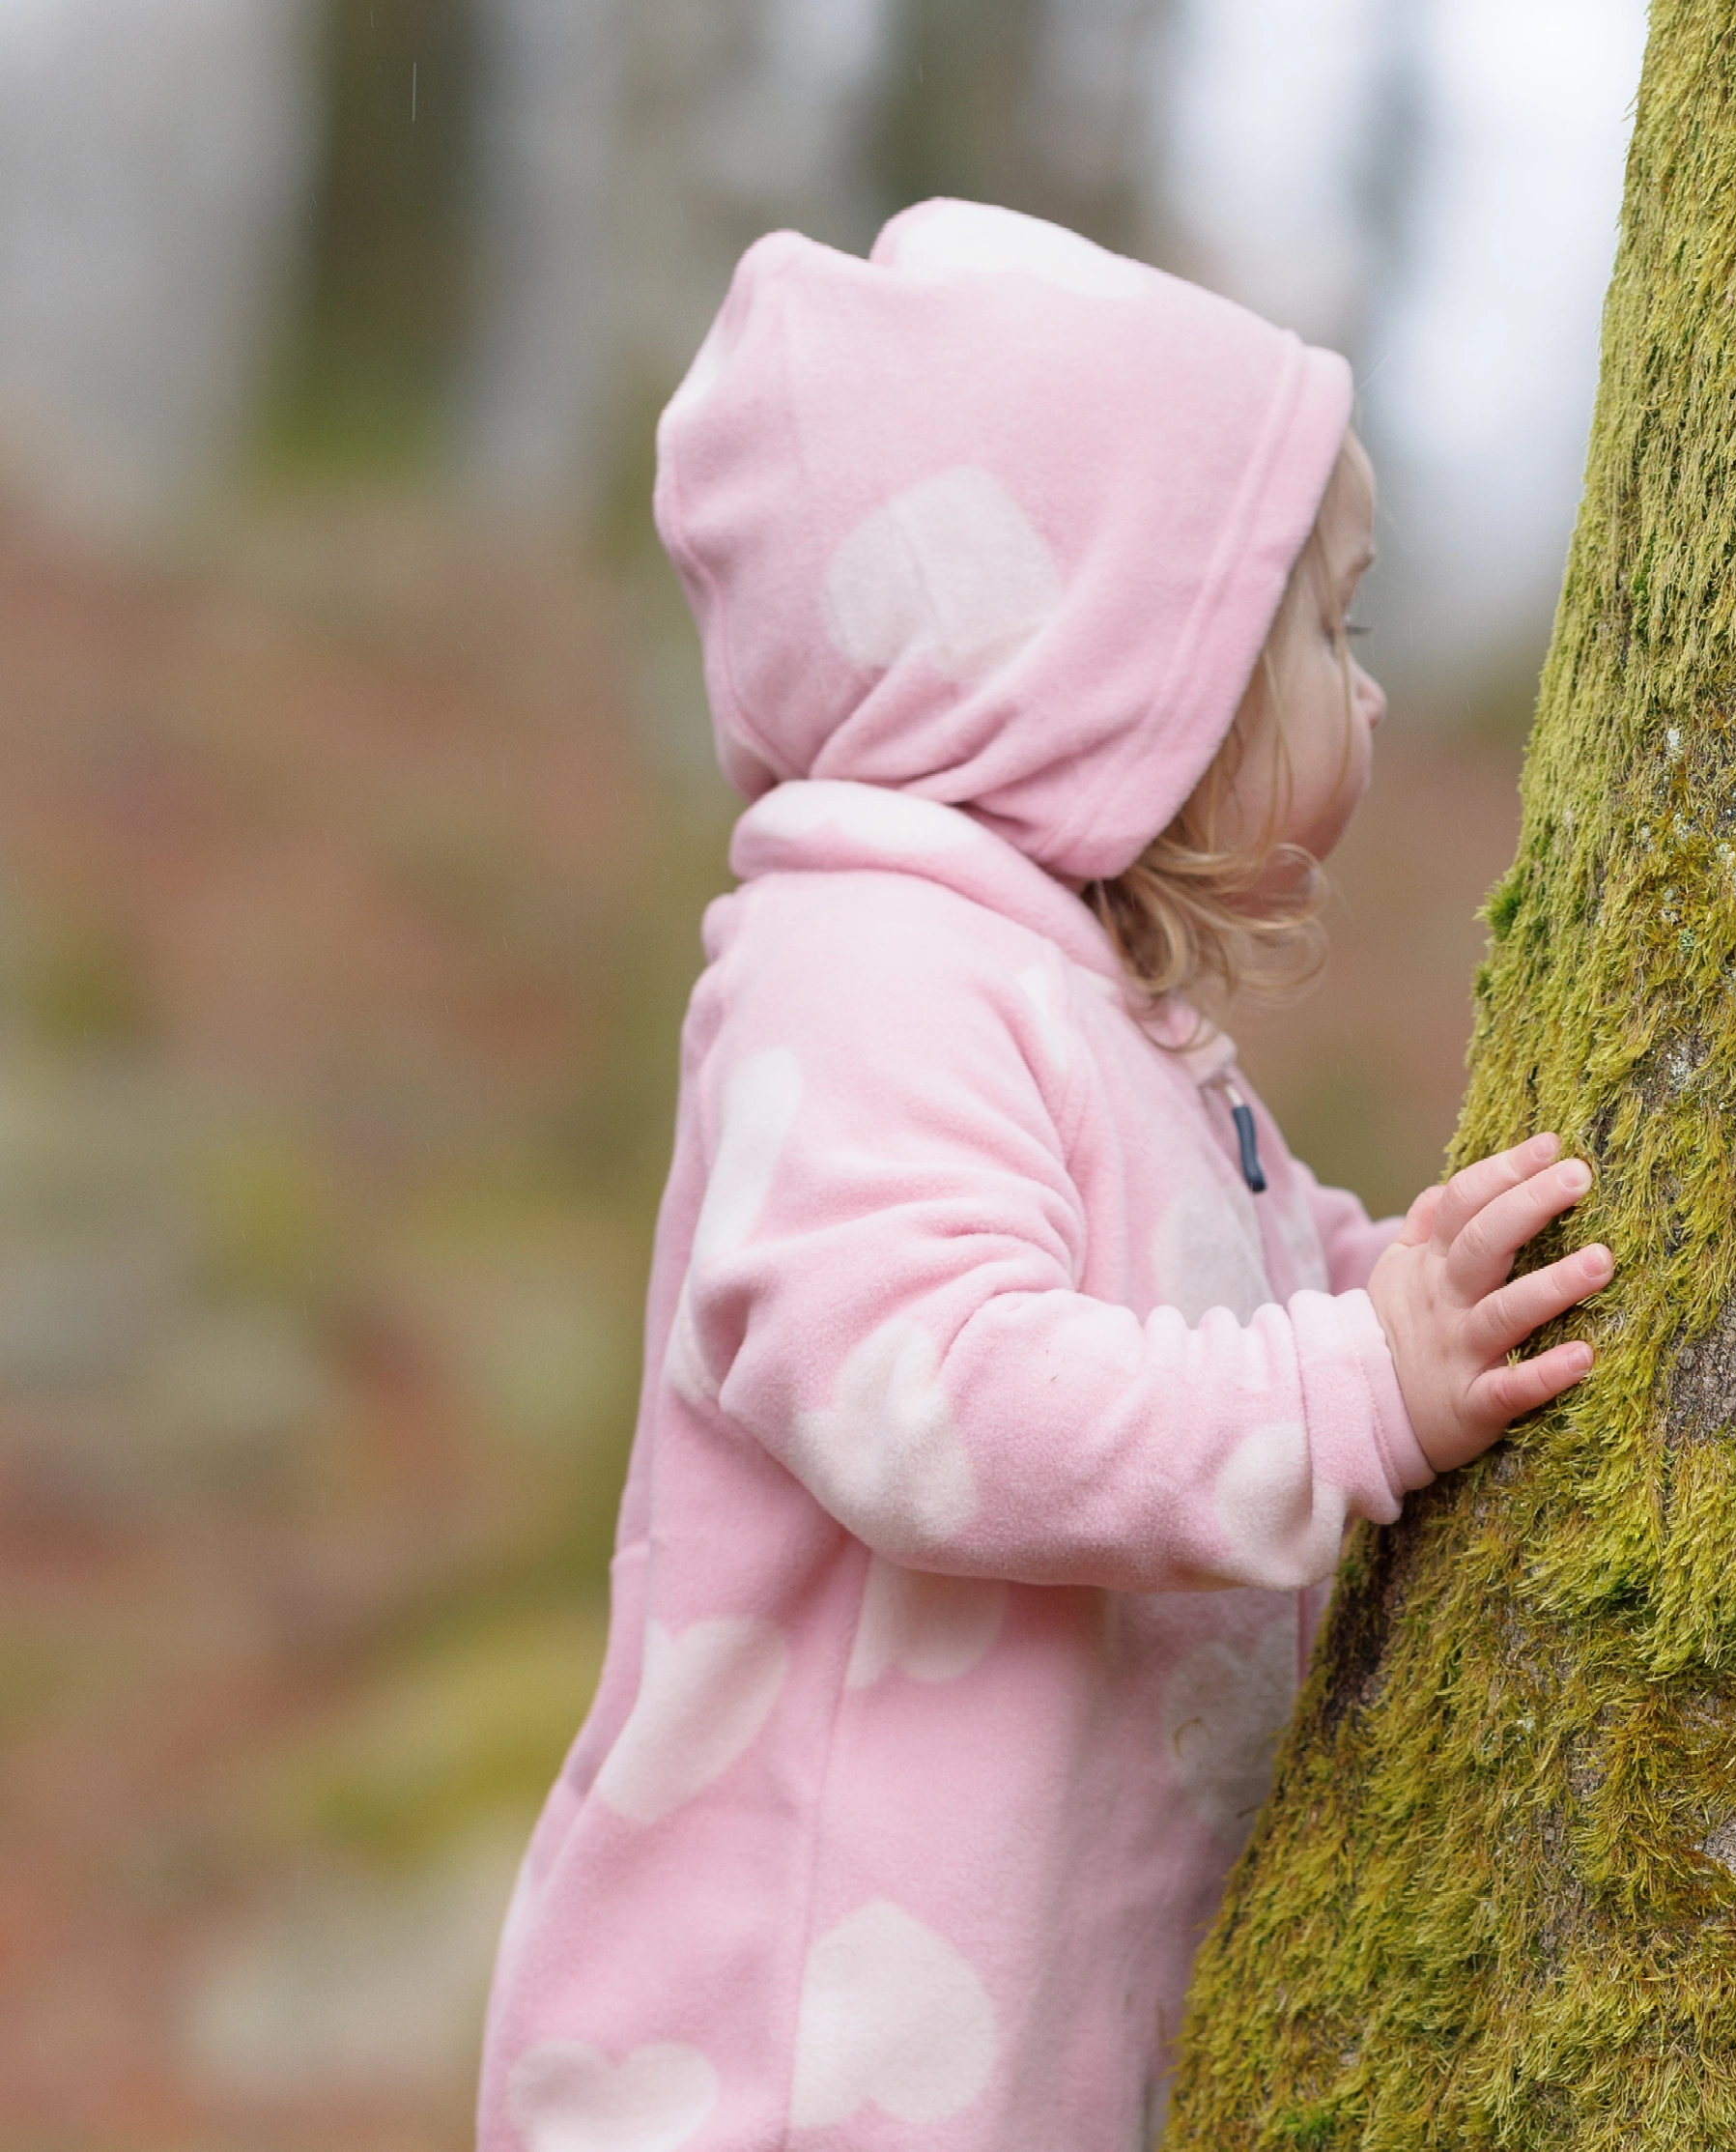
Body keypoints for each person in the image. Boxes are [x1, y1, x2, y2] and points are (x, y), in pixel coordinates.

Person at [476, 199, 1612, 2152]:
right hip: (794, 2080)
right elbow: (924, 1388)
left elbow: (1233, 1292)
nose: (1368, 695)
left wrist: (1389, 1289)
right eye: (1324, 627)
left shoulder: (1094, 1010)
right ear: (1115, 662)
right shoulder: (866, 968)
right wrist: (1355, 1385)